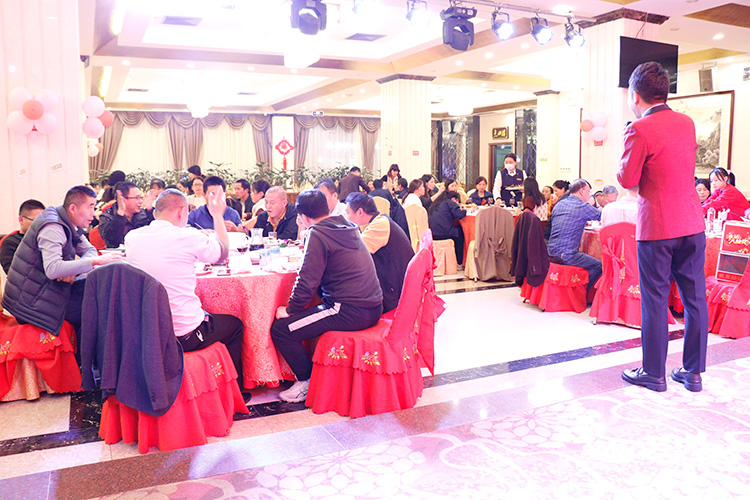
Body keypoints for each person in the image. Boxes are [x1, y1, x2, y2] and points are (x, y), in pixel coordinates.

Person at [618, 61, 709, 393]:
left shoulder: (638, 129)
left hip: (657, 226)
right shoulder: (686, 122)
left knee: (655, 300)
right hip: (692, 223)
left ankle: (654, 373)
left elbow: (627, 179)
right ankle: (693, 372)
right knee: (695, 299)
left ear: (635, 95)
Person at [125, 188, 246, 391]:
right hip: (183, 335)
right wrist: (217, 215)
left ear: (155, 212)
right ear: (182, 212)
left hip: (146, 331)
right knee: (234, 326)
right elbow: (222, 253)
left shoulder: (132, 237)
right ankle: (235, 393)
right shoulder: (188, 236)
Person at [270, 190, 383, 403]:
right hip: (373, 305)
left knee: (282, 329)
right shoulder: (346, 225)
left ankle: (306, 381)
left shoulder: (318, 234)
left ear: (303, 217)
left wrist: (291, 309)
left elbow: (307, 281)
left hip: (349, 310)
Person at [2, 186, 124, 345]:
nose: (93, 214)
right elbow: (53, 269)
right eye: (90, 207)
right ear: (73, 208)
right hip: (29, 304)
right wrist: (93, 262)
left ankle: (90, 356)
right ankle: (85, 357)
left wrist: (71, 267)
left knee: (101, 292)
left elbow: (89, 250)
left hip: (47, 291)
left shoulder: (67, 222)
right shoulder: (52, 226)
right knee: (99, 306)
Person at [346, 192, 414, 313]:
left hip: (395, 292)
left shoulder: (380, 225)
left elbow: (354, 252)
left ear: (360, 212)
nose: (346, 217)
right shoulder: (381, 220)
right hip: (397, 284)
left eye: (348, 212)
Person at [547, 179, 602, 292]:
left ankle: (572, 288)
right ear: (582, 191)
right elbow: (602, 216)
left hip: (550, 252)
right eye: (589, 192)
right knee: (598, 265)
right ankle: (579, 292)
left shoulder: (559, 204)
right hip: (567, 255)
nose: (589, 195)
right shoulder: (582, 206)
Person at [98, 182, 152, 248]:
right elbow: (112, 242)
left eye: (141, 197)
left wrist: (150, 211)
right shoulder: (107, 216)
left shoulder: (144, 214)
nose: (140, 201)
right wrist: (120, 214)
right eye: (137, 198)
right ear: (123, 199)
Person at [1, 199, 46, 274]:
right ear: (21, 220)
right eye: (36, 221)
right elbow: (13, 273)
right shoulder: (10, 243)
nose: (40, 224)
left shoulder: (47, 238)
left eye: (43, 221)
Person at [428, 187, 467, 265]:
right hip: (445, 233)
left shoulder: (435, 204)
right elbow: (459, 215)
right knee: (460, 232)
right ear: (453, 199)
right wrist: (464, 210)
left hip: (433, 233)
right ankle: (459, 261)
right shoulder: (450, 203)